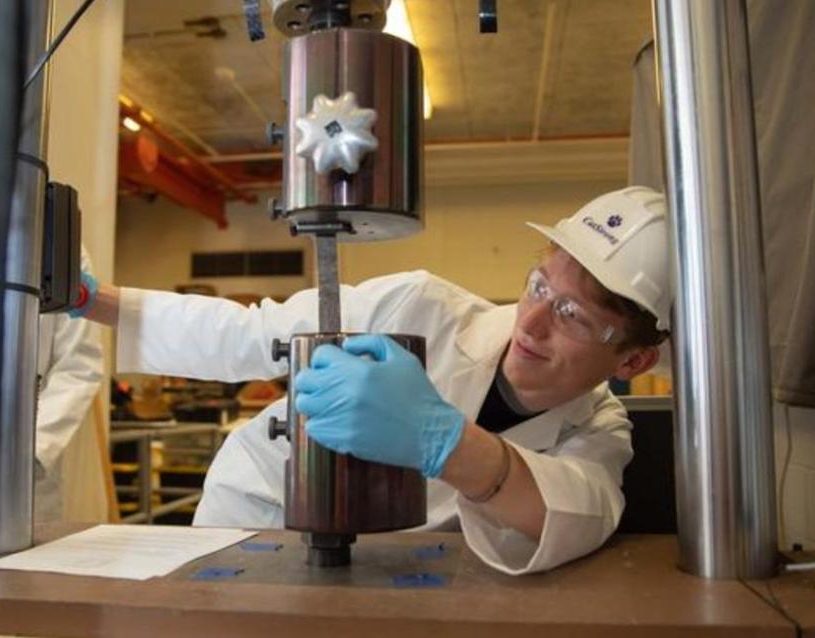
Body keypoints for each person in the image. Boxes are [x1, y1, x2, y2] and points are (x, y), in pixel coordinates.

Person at [77, 186, 671, 574]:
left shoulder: (595, 428)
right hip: (256, 518)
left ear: (632, 363)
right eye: (540, 286)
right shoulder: (420, 305)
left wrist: (444, 443)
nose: (533, 322)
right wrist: (90, 300)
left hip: (397, 572)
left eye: (573, 315)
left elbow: (580, 513)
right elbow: (253, 335)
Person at [36, 247, 106, 523]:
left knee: (17, 562)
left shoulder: (57, 243)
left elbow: (79, 363)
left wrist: (33, 451)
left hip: (23, 467)